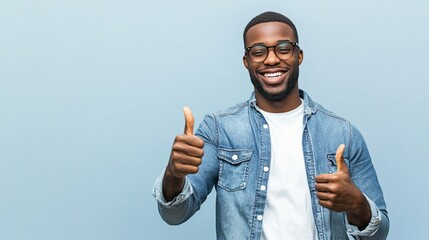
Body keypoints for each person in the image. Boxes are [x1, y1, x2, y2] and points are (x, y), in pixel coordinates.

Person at [153, 11, 389, 240]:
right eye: (258, 51)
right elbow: (174, 214)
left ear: (299, 56)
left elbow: (379, 233)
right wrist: (174, 174)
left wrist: (357, 205)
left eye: (283, 48)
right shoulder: (219, 129)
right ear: (247, 62)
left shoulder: (342, 133)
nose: (272, 58)